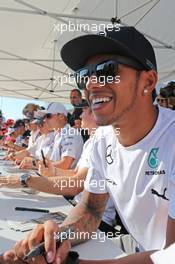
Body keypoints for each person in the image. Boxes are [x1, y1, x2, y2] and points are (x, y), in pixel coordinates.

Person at [4, 26, 175, 263]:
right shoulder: (103, 139)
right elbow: (92, 210)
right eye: (84, 75)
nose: (91, 85)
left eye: (107, 69)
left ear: (148, 80)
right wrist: (57, 240)